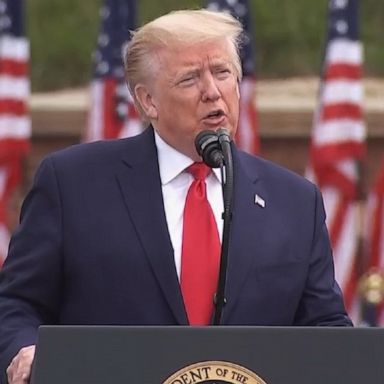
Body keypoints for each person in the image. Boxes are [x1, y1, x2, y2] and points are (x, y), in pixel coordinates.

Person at [0, 8, 352, 384]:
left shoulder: (294, 201)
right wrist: (25, 351)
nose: (212, 91)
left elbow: (325, 327)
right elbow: (17, 303)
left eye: (222, 72)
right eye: (189, 79)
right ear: (148, 101)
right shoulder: (73, 184)